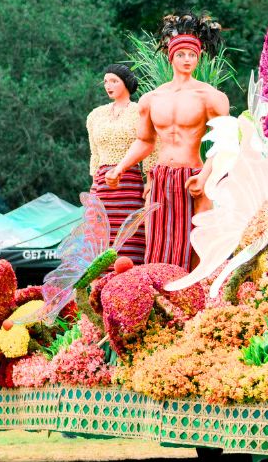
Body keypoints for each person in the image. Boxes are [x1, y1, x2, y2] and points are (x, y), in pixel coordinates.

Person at [106, 14, 229, 271]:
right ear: (170, 56)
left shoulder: (211, 96)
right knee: (159, 243)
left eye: (192, 55)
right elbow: (145, 141)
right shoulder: (151, 99)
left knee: (198, 245)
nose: (187, 60)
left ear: (199, 57)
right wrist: (120, 167)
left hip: (194, 176)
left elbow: (225, 142)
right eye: (181, 54)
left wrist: (205, 176)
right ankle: (162, 300)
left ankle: (199, 303)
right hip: (161, 177)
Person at [86, 64, 155, 264]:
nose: (108, 85)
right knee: (100, 237)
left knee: (130, 233)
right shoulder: (95, 115)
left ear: (125, 83)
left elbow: (151, 146)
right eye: (106, 81)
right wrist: (93, 186)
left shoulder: (139, 111)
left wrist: (149, 181)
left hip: (129, 182)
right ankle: (98, 287)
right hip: (102, 185)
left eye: (114, 81)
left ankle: (127, 282)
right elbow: (95, 153)